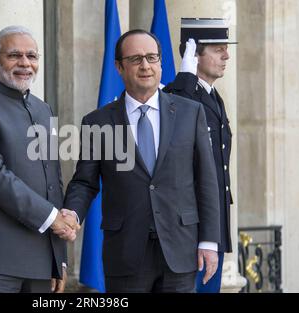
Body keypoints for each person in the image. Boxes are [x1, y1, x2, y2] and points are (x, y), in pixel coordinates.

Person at [63, 29, 220, 293]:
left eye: (151, 57)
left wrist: (209, 241)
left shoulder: (190, 113)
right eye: (136, 59)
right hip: (125, 252)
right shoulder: (98, 122)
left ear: (160, 63)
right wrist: (72, 213)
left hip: (180, 249)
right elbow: (85, 181)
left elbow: (206, 179)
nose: (145, 65)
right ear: (119, 67)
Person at [0, 25, 80, 293]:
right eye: (14, 55)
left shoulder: (43, 110)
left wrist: (59, 261)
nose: (25, 63)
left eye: (32, 56)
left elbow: (52, 183)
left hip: (40, 262)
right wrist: (54, 219)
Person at [164, 18, 237, 293]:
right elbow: (173, 122)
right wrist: (184, 78)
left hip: (212, 224)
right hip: (189, 228)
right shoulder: (179, 94)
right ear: (194, 54)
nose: (226, 55)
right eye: (218, 49)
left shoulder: (213, 97)